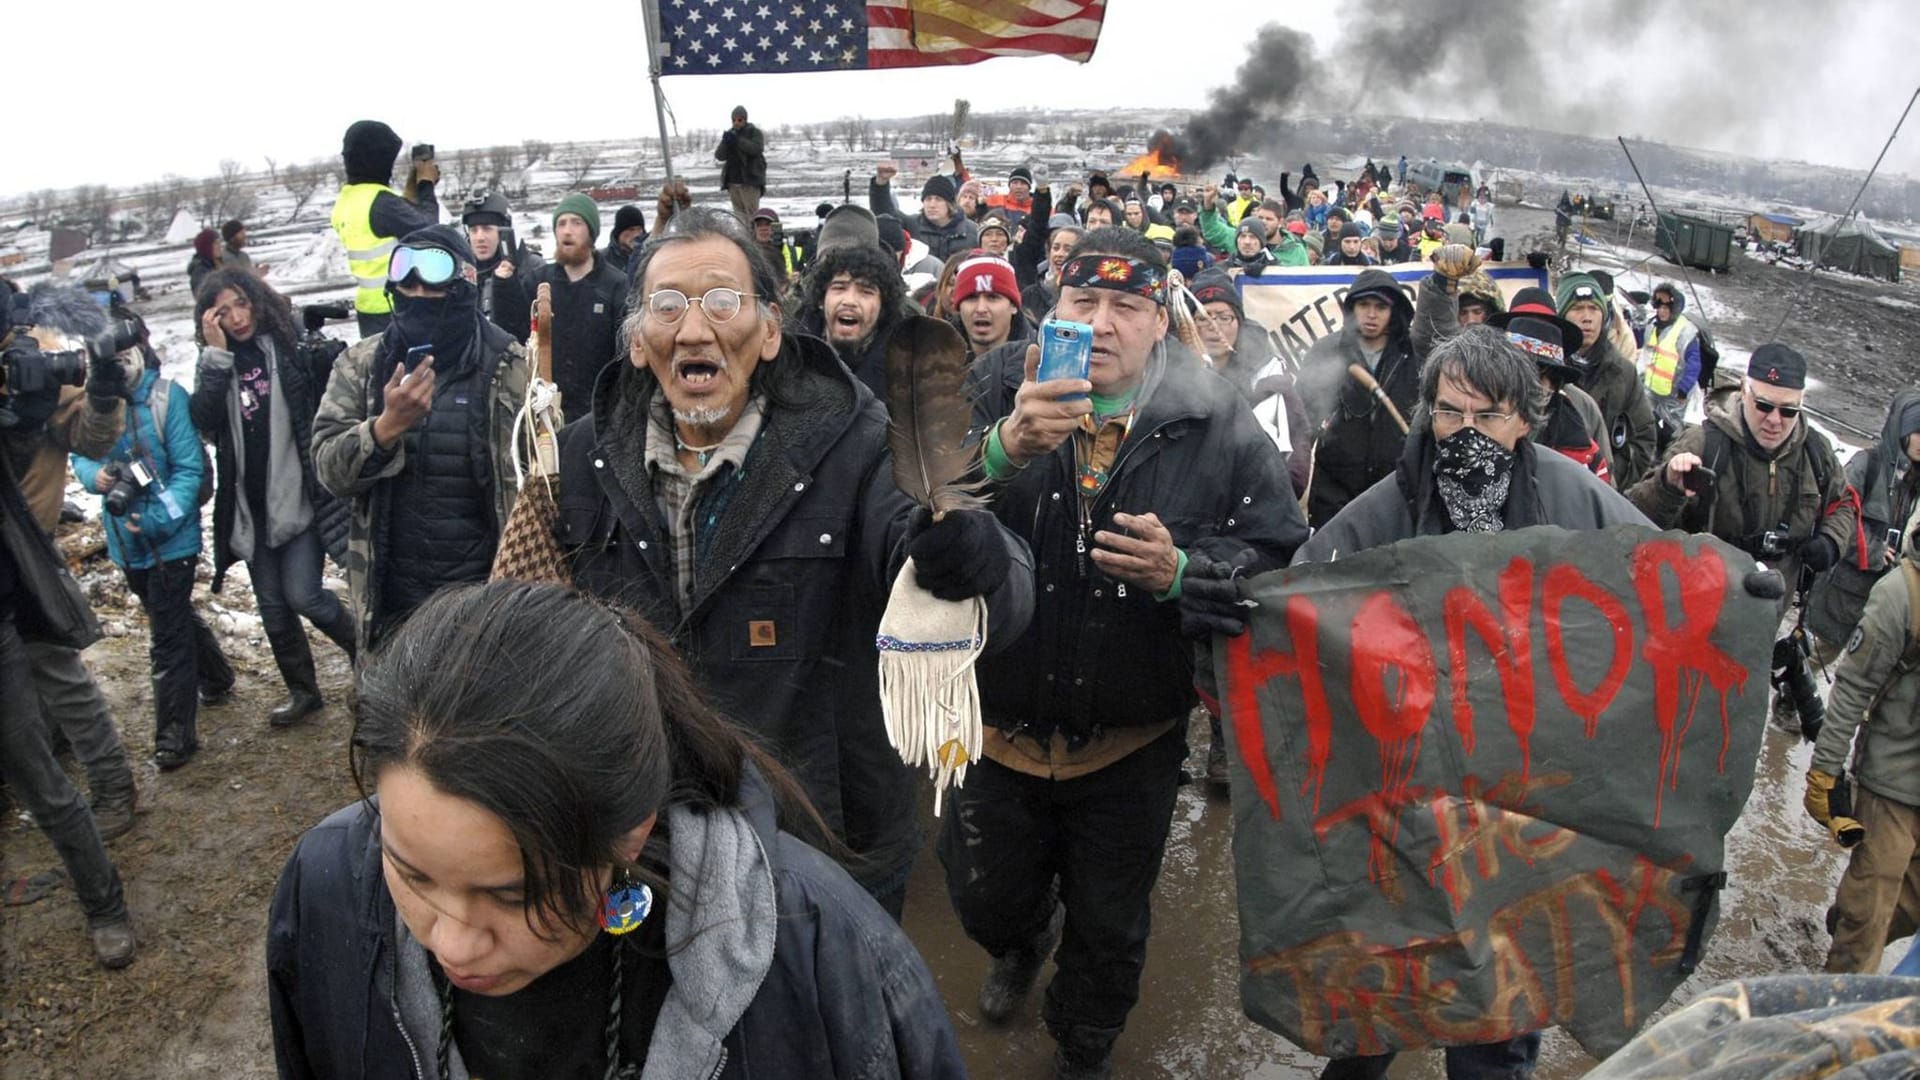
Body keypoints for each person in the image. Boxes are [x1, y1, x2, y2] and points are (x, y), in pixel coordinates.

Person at [267, 580, 966, 1079]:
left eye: (513, 895)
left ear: (629, 836)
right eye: (411, 874)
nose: (451, 940)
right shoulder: (326, 887)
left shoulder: (820, 954)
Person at [557, 208, 1034, 917]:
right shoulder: (577, 458)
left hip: (824, 837)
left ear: (772, 330)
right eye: (667, 306)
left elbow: (1003, 597)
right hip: (650, 840)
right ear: (636, 341)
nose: (694, 330)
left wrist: (970, 557)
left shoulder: (860, 441)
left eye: (723, 302)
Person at [953, 226, 1305, 1078]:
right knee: (983, 896)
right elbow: (909, 511)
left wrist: (1186, 573)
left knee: (1111, 926)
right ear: (1054, 310)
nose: (1102, 323)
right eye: (1084, 302)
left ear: (1159, 320)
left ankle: (1083, 1046)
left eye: (1126, 305)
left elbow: (1277, 555)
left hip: (1132, 738)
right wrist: (1002, 450)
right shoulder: (994, 388)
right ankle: (1020, 940)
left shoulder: (1214, 420)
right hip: (994, 723)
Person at [1296, 325, 1651, 1080]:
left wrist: (1739, 589)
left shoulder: (1569, 493)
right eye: (1449, 412)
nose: (1465, 432)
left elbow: (1659, 574)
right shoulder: (1393, 499)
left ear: (1525, 418)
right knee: (1384, 966)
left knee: (1500, 981)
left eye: (1486, 416)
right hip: (1407, 779)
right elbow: (1308, 583)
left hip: (1523, 788)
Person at [311, 225, 529, 653]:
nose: (416, 293)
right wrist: (384, 429)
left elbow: (538, 486)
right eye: (405, 282)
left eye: (429, 281)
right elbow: (328, 471)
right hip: (391, 605)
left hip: (482, 606)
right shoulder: (362, 366)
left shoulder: (511, 368)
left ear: (462, 285)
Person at [1628, 344, 1857, 737]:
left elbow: (1845, 505)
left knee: (1732, 733)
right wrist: (1669, 485)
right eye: (1764, 406)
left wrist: (1831, 542)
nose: (1774, 420)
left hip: (1761, 627)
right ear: (1743, 393)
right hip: (1691, 624)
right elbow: (1634, 519)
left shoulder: (1816, 454)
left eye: (1788, 411)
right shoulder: (1703, 444)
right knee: (1671, 726)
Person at [0, 327, 137, 967]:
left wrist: (105, 386)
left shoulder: (25, 352)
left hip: (21, 568)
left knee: (60, 695)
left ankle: (112, 795)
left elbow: (89, 432)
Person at [190, 269, 356, 727]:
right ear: (210, 320)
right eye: (223, 312)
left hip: (299, 499)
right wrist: (216, 358)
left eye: (241, 304)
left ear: (257, 302)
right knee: (273, 610)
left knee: (304, 595)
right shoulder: (216, 362)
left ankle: (368, 654)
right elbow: (204, 420)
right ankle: (304, 692)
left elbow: (325, 391)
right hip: (251, 509)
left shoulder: (284, 349)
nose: (237, 318)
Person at [72, 335, 236, 771]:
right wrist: (97, 477)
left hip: (172, 542)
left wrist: (159, 520)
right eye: (109, 361)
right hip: (126, 543)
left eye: (125, 358)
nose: (118, 369)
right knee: (173, 618)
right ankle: (218, 676)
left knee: (166, 639)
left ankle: (174, 737)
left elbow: (189, 470)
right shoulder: (97, 402)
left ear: (142, 353)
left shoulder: (167, 398)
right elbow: (80, 451)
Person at [1808, 518, 1920, 974]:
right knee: (1869, 917)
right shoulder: (1901, 594)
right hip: (1891, 785)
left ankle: (1846, 921)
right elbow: (1852, 687)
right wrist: (1825, 771)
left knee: (1905, 909)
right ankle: (1836, 1020)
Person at [1297, 269, 1418, 527]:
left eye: (1380, 307)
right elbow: (1303, 419)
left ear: (1393, 311)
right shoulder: (1326, 351)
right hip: (1334, 490)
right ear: (1351, 308)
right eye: (1364, 305)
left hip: (1393, 489)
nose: (1371, 315)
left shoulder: (1411, 353)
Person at [1807, 391, 1920, 654]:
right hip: (1841, 596)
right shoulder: (1866, 465)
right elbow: (1835, 517)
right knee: (1810, 663)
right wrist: (1874, 551)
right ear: (1901, 430)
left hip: (1883, 604)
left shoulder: (1915, 482)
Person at [1486, 287, 1613, 481]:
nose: (1526, 385)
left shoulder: (1582, 452)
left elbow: (1602, 503)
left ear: (1553, 385)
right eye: (1518, 372)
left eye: (1538, 375)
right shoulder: (1472, 415)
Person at [330, 120, 440, 337]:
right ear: (379, 160)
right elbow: (429, 228)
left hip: (368, 307)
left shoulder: (347, 200)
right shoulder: (381, 202)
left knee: (380, 366)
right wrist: (425, 185)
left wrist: (409, 195)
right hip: (397, 305)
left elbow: (391, 224)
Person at [531, 194, 629, 425]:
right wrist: (502, 286)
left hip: (599, 414)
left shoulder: (615, 284)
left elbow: (625, 356)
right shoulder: (539, 282)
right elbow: (515, 335)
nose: (567, 231)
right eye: (561, 224)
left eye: (576, 223)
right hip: (548, 414)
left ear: (591, 232)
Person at [1558, 272, 1657, 490]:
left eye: (1594, 309)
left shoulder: (1624, 374)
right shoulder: (1549, 372)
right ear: (1562, 315)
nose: (1587, 317)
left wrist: (1609, 477)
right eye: (1577, 309)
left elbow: (1644, 439)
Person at [791, 237, 912, 399]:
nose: (849, 301)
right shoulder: (789, 357)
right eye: (839, 288)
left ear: (883, 306)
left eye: (866, 292)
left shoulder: (906, 369)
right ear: (821, 299)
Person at [461, 192, 543, 345]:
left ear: (505, 231)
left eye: (487, 228)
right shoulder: (463, 276)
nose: (479, 237)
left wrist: (507, 286)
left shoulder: (532, 269)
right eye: (473, 230)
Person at [870, 163, 979, 263]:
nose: (932, 204)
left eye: (938, 199)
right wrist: (881, 184)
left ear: (949, 204)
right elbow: (885, 214)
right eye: (928, 199)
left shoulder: (972, 230)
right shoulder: (912, 224)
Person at [1638, 281, 1701, 433]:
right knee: (1646, 425)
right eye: (1659, 307)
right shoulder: (1653, 326)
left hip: (1674, 394)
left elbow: (1694, 364)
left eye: (1666, 308)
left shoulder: (1685, 332)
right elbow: (1646, 354)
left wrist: (1684, 389)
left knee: (1671, 430)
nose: (1662, 311)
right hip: (1651, 390)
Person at [950, 254, 1030, 361]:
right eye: (971, 298)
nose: (981, 309)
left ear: (1013, 306)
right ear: (959, 307)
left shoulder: (1040, 360)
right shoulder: (934, 361)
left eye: (992, 297)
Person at [715, 104, 766, 218]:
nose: (736, 122)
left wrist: (738, 141)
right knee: (739, 217)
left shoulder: (754, 132)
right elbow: (719, 156)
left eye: (739, 119)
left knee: (752, 216)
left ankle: (753, 236)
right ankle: (742, 236)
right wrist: (725, 142)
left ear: (745, 119)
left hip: (750, 182)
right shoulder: (730, 134)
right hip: (733, 182)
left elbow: (756, 149)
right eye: (734, 120)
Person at [750, 207, 799, 290]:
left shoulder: (795, 253)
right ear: (753, 229)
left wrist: (797, 280)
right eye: (759, 225)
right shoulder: (746, 253)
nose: (763, 228)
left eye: (768, 224)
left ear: (777, 228)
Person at [603, 204, 647, 274]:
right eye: (631, 229)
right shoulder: (603, 260)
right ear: (619, 233)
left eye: (639, 229)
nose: (637, 234)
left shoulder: (649, 256)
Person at [187, 228, 221, 298]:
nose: (220, 246)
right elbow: (203, 296)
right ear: (207, 247)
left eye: (219, 243)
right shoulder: (200, 270)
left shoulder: (216, 264)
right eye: (215, 243)